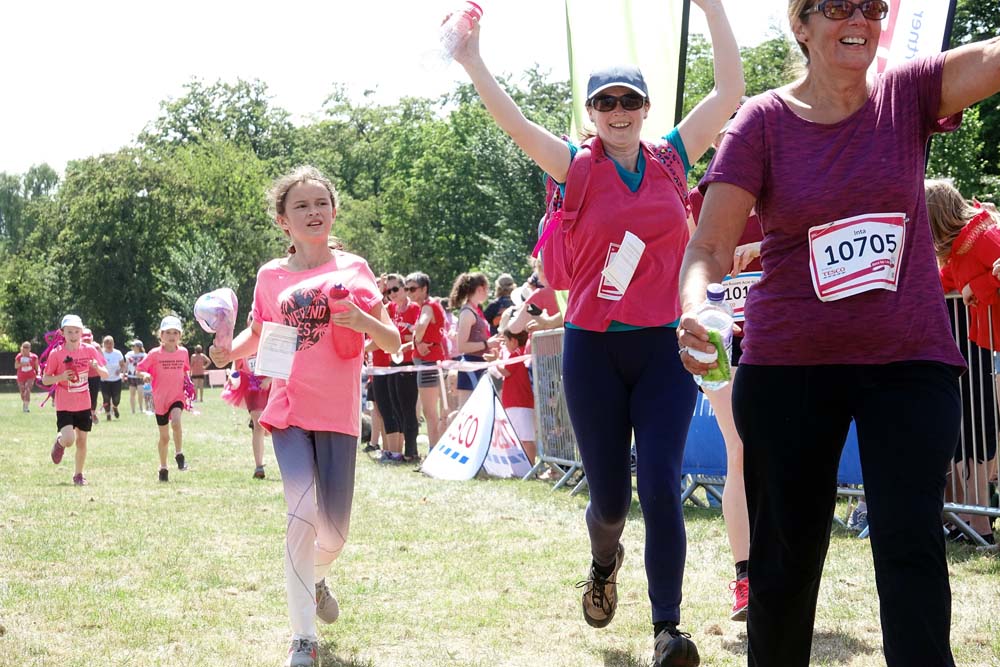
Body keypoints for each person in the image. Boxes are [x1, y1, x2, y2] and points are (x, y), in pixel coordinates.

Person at [677, 3, 1000, 664]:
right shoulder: (762, 124)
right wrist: (694, 306)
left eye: (871, 6)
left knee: (911, 548)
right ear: (800, 25)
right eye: (835, 6)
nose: (858, 18)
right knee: (785, 565)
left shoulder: (906, 94)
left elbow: (992, 60)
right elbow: (707, 245)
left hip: (907, 359)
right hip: (790, 365)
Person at [455, 1, 742, 663]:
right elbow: (514, 121)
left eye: (630, 100)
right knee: (610, 499)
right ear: (591, 111)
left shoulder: (671, 158)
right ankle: (603, 559)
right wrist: (472, 60)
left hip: (663, 346)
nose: (618, 111)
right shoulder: (574, 167)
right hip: (592, 349)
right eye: (605, 102)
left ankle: (667, 628)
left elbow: (730, 90)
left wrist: (713, 7)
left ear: (644, 107)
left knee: (663, 483)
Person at [210, 166, 399, 667]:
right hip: (288, 409)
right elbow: (259, 333)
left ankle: (314, 579)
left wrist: (361, 319)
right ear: (283, 221)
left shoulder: (355, 268)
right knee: (301, 514)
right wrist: (229, 353)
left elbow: (393, 341)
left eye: (322, 203)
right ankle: (302, 639)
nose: (314, 212)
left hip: (337, 414)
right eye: (301, 206)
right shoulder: (270, 276)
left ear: (333, 211)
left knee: (333, 533)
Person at [686, 104, 760, 622]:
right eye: (720, 124)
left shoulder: (784, 174)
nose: (728, 131)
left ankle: (780, 569)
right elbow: (685, 260)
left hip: (784, 335)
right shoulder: (694, 198)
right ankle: (746, 578)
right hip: (722, 338)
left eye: (738, 118)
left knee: (785, 457)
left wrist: (762, 244)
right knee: (741, 448)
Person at [926, 178, 998, 545]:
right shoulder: (958, 247)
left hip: (992, 348)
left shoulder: (983, 235)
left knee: (985, 433)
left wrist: (978, 288)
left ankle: (980, 524)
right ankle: (973, 523)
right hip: (980, 346)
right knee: (972, 432)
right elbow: (944, 282)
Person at [41, 314, 109, 485]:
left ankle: (78, 474)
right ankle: (60, 442)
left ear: (81, 333)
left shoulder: (89, 350)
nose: (73, 335)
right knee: (69, 440)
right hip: (64, 404)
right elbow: (45, 379)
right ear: (62, 333)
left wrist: (97, 367)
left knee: (82, 440)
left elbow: (105, 373)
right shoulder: (56, 354)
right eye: (69, 331)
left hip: (84, 403)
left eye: (76, 331)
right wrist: (61, 376)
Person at [138, 315, 191, 482]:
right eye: (168, 332)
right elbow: (139, 369)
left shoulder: (183, 353)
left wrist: (188, 383)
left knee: (176, 422)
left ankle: (179, 454)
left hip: (176, 396)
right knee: (164, 437)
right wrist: (145, 374)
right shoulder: (154, 354)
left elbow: (186, 371)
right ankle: (163, 467)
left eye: (175, 332)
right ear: (161, 335)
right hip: (159, 400)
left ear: (180, 336)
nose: (171, 336)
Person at [407, 271, 448, 451]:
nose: (410, 293)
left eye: (413, 289)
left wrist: (417, 340)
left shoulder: (427, 306)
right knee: (439, 411)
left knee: (430, 413)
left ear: (424, 289)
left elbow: (422, 325)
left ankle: (434, 452)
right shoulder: (433, 305)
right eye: (407, 289)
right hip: (436, 360)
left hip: (429, 363)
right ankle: (438, 449)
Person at [385, 272, 422, 462]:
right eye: (388, 290)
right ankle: (398, 450)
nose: (392, 293)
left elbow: (416, 336)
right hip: (393, 361)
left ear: (403, 288)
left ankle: (411, 451)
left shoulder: (414, 308)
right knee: (395, 407)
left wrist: (400, 337)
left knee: (408, 409)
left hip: (408, 362)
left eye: (395, 289)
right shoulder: (391, 308)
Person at [449, 272, 495, 407]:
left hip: (479, 365)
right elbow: (462, 346)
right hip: (470, 367)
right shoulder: (467, 313)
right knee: (469, 413)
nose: (488, 293)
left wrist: (491, 345)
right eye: (487, 289)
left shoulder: (475, 311)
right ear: (480, 289)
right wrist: (487, 343)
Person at [496, 327, 535, 463]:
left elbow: (506, 371)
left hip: (520, 402)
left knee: (526, 438)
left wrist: (496, 360)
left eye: (506, 341)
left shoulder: (518, 353)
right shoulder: (519, 352)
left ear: (513, 341)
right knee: (520, 437)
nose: (505, 344)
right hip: (516, 402)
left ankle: (530, 466)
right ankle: (525, 466)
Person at [99, 335, 126, 420]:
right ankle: (108, 414)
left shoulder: (117, 353)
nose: (109, 345)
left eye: (110, 343)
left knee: (116, 399)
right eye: (106, 343)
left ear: (113, 343)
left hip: (116, 379)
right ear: (103, 344)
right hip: (104, 379)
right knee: (106, 398)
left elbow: (123, 365)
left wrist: (121, 371)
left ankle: (115, 407)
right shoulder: (101, 353)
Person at [81, 327, 103, 424]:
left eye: (88, 339)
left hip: (94, 375)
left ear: (92, 338)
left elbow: (102, 360)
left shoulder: (96, 347)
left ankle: (92, 413)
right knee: (83, 395)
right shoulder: (77, 347)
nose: (86, 340)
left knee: (93, 395)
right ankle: (85, 413)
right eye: (84, 339)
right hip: (82, 375)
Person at [15, 341, 39, 413]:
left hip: (31, 376)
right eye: (24, 347)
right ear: (22, 348)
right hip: (21, 376)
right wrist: (22, 364)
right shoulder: (19, 356)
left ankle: (26, 407)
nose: (26, 349)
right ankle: (24, 403)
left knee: (27, 389)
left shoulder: (34, 357)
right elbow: (16, 366)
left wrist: (39, 373)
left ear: (30, 348)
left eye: (27, 347)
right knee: (22, 392)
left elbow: (37, 367)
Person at [124, 340, 147, 414]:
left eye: (134, 346)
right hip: (131, 376)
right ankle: (133, 410)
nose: (132, 347)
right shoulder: (129, 354)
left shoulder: (144, 355)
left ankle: (141, 408)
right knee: (132, 394)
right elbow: (126, 364)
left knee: (140, 392)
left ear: (138, 347)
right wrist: (124, 373)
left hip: (140, 376)